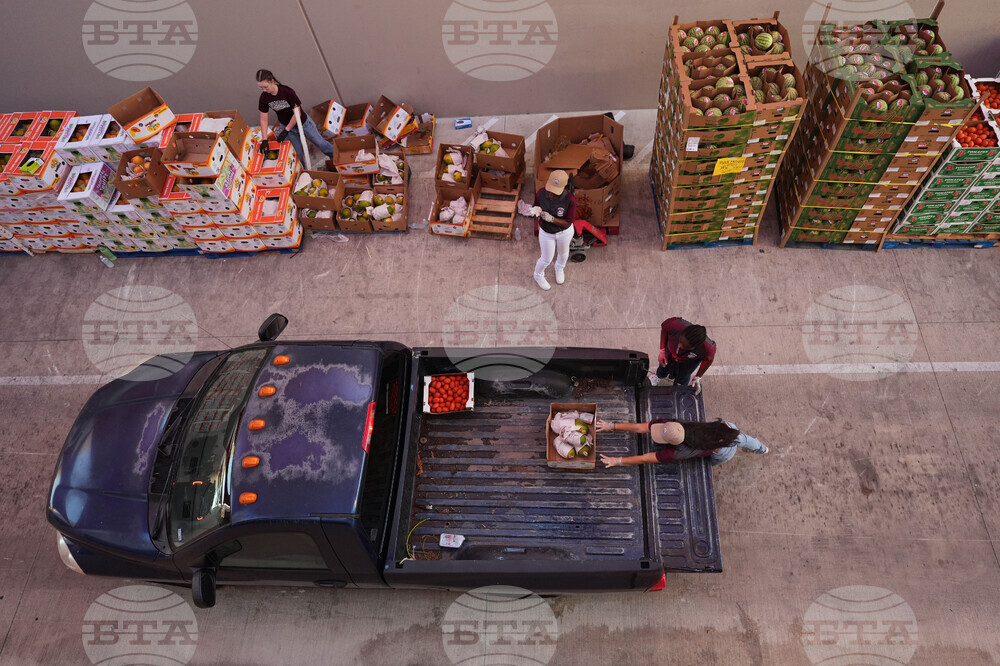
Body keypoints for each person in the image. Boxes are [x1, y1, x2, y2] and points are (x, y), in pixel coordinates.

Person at [594, 418, 768, 468]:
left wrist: (618, 461)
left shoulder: (678, 453)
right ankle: (761, 448)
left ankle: (761, 449)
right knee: (742, 438)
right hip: (725, 428)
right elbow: (640, 427)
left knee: (713, 461)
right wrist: (611, 426)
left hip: (721, 450)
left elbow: (647, 458)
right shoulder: (672, 426)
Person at [256, 68, 333, 164]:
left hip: (303, 123)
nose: (264, 90)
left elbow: (297, 114)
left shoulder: (287, 92)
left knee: (321, 144)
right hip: (287, 127)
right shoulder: (264, 98)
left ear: (272, 81)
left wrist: (286, 130)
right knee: (297, 155)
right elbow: (264, 120)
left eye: (266, 87)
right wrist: (264, 140)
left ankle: (336, 159)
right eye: (261, 88)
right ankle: (304, 174)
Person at [533, 169, 577, 291]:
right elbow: (536, 205)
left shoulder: (570, 200)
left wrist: (551, 219)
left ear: (563, 188)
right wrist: (536, 211)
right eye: (550, 191)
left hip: (564, 233)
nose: (551, 195)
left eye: (555, 193)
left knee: (563, 254)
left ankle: (559, 268)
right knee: (546, 258)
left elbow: (568, 223)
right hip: (547, 233)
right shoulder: (541, 193)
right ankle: (538, 275)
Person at [655, 317, 716, 394]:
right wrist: (662, 350)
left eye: (685, 346)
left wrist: (698, 377)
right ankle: (659, 376)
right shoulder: (674, 324)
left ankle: (678, 388)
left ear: (695, 346)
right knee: (663, 366)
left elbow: (709, 360)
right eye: (680, 341)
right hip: (669, 353)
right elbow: (664, 328)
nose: (679, 346)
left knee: (683, 377)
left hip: (688, 362)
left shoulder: (708, 348)